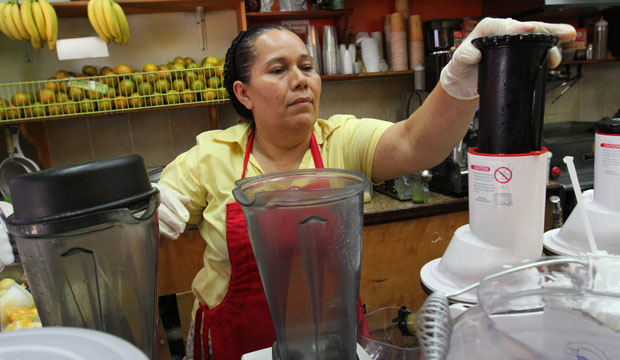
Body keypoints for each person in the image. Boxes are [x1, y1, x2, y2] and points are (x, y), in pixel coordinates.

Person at [155, 17, 576, 360]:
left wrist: (460, 80)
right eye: (279, 70)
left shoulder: (340, 139)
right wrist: (150, 210)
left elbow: (415, 141)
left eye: (307, 66)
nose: (301, 80)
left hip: (334, 338)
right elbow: (153, 216)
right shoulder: (209, 155)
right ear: (243, 93)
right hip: (237, 343)